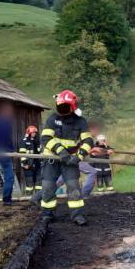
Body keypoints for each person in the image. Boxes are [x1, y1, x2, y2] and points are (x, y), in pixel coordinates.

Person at [39, 90, 93, 225]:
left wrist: (79, 156)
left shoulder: (81, 122)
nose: (61, 110)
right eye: (60, 107)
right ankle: (47, 214)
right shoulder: (52, 119)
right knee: (48, 187)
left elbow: (88, 141)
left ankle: (77, 215)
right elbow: (45, 138)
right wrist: (60, 151)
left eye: (64, 107)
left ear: (72, 107)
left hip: (71, 161)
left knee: (73, 186)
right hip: (52, 159)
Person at [19, 125, 41, 195]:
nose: (34, 134)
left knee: (39, 183)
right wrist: (25, 164)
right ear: (29, 133)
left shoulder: (37, 141)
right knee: (29, 183)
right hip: (28, 165)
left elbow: (40, 152)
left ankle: (38, 197)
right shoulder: (24, 141)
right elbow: (22, 154)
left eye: (35, 132)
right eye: (33, 132)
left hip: (38, 165)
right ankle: (28, 196)